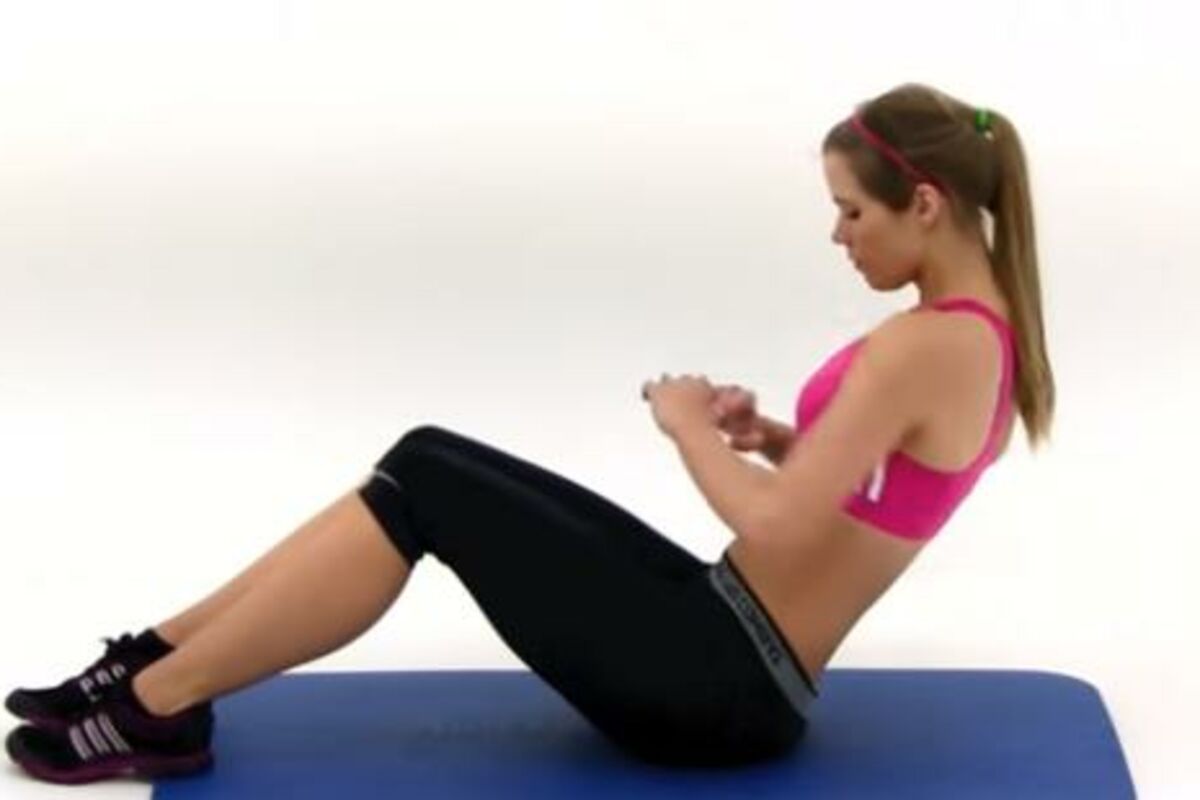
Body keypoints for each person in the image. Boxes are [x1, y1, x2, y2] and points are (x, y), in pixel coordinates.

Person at [5, 82, 1055, 784]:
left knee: (425, 481)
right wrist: (772, 435)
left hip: (717, 681)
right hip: (726, 643)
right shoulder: (984, 338)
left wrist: (686, 429)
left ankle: (158, 703)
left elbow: (780, 529)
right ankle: (154, 664)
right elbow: (868, 494)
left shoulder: (925, 346)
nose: (838, 234)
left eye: (852, 211)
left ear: (924, 204)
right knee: (422, 461)